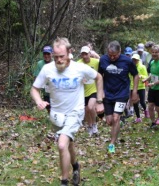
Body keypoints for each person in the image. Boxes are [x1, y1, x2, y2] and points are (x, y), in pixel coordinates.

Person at [30, 37, 104, 186]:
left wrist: (100, 101)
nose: (58, 60)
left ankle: (64, 181)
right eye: (56, 57)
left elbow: (99, 77)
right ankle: (75, 166)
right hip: (57, 115)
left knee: (62, 144)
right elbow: (34, 89)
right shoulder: (47, 69)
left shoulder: (79, 68)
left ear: (69, 52)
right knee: (68, 144)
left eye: (61, 56)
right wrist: (39, 101)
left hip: (75, 113)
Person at [98, 41, 139, 153]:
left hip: (122, 93)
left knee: (116, 118)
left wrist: (134, 92)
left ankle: (112, 143)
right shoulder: (103, 60)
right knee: (109, 121)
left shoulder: (127, 61)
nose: (112, 58)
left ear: (120, 52)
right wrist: (100, 92)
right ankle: (118, 123)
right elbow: (99, 75)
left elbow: (135, 75)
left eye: (114, 55)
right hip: (108, 93)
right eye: (110, 55)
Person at [77, 45, 100, 136]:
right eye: (83, 54)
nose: (84, 56)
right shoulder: (78, 63)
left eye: (86, 54)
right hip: (83, 90)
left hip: (93, 89)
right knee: (86, 110)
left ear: (89, 54)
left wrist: (96, 55)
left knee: (91, 107)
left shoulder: (96, 62)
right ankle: (89, 126)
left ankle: (94, 124)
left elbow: (104, 61)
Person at [33, 45, 53, 113]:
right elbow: (36, 77)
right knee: (48, 106)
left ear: (52, 54)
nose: (46, 55)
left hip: (55, 89)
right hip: (46, 89)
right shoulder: (40, 64)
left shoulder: (56, 62)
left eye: (48, 54)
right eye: (45, 54)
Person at [130, 54, 148, 123]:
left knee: (142, 101)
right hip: (132, 86)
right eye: (133, 59)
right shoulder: (130, 66)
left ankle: (146, 110)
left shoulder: (142, 67)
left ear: (138, 60)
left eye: (136, 60)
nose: (134, 61)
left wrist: (141, 76)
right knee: (134, 102)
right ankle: (138, 117)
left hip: (141, 86)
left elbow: (146, 76)